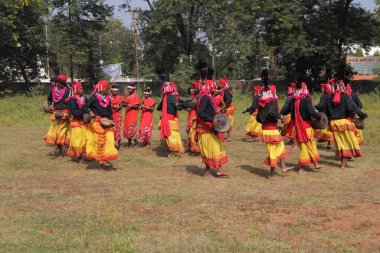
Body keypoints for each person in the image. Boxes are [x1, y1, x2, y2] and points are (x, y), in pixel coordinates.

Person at [256, 71, 293, 179]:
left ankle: (283, 165)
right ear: (273, 92)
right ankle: (271, 174)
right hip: (270, 129)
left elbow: (259, 117)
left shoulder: (261, 102)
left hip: (267, 128)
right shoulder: (272, 101)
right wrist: (281, 117)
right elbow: (272, 113)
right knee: (273, 151)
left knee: (280, 145)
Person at [323, 79, 367, 168]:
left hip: (334, 123)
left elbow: (326, 110)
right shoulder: (346, 96)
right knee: (348, 142)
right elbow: (352, 109)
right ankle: (344, 163)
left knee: (340, 143)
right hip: (345, 123)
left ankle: (344, 162)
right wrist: (360, 115)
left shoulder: (329, 97)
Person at [280, 80, 322, 172]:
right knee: (311, 144)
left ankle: (303, 167)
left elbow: (283, 111)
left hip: (297, 128)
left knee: (303, 146)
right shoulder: (306, 99)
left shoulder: (292, 100)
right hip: (306, 127)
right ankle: (314, 163)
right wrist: (320, 116)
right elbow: (311, 111)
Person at [196, 80, 228, 178]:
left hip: (211, 128)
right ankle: (207, 172)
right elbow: (200, 112)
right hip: (206, 129)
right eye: (214, 89)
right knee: (209, 150)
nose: (215, 90)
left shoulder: (208, 97)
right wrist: (212, 120)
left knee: (218, 148)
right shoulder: (205, 97)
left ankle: (219, 169)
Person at [86, 80, 118, 168]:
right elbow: (86, 107)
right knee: (99, 140)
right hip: (97, 121)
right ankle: (101, 160)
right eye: (106, 88)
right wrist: (90, 112)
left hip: (106, 121)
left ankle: (105, 157)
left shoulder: (108, 98)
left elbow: (110, 111)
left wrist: (111, 120)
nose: (108, 90)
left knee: (110, 139)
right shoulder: (93, 98)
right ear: (101, 89)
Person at [44, 75, 71, 157]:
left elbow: (71, 103)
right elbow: (49, 99)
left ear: (63, 83)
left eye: (59, 83)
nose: (58, 84)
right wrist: (49, 105)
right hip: (55, 114)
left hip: (64, 115)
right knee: (53, 131)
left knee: (61, 132)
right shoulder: (53, 90)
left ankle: (57, 150)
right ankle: (57, 150)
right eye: (57, 83)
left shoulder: (68, 91)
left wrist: (69, 114)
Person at [157, 82, 185, 157]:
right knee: (173, 134)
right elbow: (178, 107)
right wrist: (185, 106)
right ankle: (173, 150)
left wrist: (161, 103)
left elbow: (158, 108)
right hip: (171, 118)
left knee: (168, 134)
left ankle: (171, 150)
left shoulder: (164, 98)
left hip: (164, 118)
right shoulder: (172, 97)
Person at [67, 81, 88, 161]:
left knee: (84, 138)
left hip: (83, 121)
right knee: (77, 139)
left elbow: (88, 106)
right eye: (80, 89)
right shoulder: (72, 99)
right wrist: (84, 111)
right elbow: (74, 111)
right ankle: (78, 155)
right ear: (76, 90)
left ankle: (83, 154)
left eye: (82, 88)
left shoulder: (85, 98)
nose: (82, 90)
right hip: (75, 121)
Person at [314, 81, 334, 149]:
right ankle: (329, 143)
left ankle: (320, 140)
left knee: (322, 127)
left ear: (325, 89)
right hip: (331, 114)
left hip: (325, 114)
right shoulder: (333, 95)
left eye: (323, 88)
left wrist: (314, 107)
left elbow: (320, 105)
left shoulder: (324, 96)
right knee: (329, 128)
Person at [123, 83, 140, 147]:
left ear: (133, 89)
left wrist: (129, 105)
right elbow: (125, 103)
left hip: (133, 114)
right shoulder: (127, 96)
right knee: (127, 127)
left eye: (130, 89)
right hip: (127, 113)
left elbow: (137, 105)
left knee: (132, 127)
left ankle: (135, 142)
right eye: (128, 89)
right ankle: (129, 142)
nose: (128, 90)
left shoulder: (136, 96)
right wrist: (124, 104)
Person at [110, 84, 123, 149]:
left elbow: (121, 106)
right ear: (111, 91)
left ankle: (119, 144)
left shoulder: (120, 97)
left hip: (118, 114)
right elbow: (108, 106)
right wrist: (114, 106)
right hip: (111, 114)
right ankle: (112, 144)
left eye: (116, 91)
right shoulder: (109, 98)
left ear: (118, 91)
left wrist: (114, 106)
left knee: (117, 128)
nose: (115, 92)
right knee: (111, 129)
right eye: (113, 91)